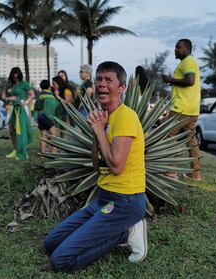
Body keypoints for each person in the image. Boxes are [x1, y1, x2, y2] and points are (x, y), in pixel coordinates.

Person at [44, 61, 147, 272]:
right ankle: (117, 230)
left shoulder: (126, 117)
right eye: (99, 78)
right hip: (103, 199)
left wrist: (100, 130)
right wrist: (96, 131)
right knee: (50, 244)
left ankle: (127, 232)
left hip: (125, 202)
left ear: (122, 88)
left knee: (60, 261)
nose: (101, 84)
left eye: (109, 80)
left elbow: (117, 167)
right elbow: (96, 164)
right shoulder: (104, 118)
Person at [162, 38, 201, 181]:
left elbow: (190, 81)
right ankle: (195, 173)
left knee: (168, 137)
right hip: (192, 109)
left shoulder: (187, 61)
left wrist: (170, 80)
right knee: (191, 141)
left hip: (181, 108)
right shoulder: (188, 62)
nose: (175, 50)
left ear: (187, 49)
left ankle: (171, 172)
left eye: (178, 47)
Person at [2, 67, 35, 161]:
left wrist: (26, 102)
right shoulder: (10, 85)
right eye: (14, 76)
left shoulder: (24, 83)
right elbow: (5, 96)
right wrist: (7, 98)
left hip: (21, 108)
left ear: (19, 75)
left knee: (21, 130)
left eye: (17, 76)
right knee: (11, 130)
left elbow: (32, 95)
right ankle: (16, 150)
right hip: (12, 108)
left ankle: (23, 152)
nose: (15, 78)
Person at [35, 79, 61, 154]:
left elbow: (36, 107)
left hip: (40, 117)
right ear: (49, 86)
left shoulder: (39, 95)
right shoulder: (51, 95)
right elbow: (57, 106)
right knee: (54, 135)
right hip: (48, 117)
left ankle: (43, 154)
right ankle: (54, 153)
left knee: (43, 135)